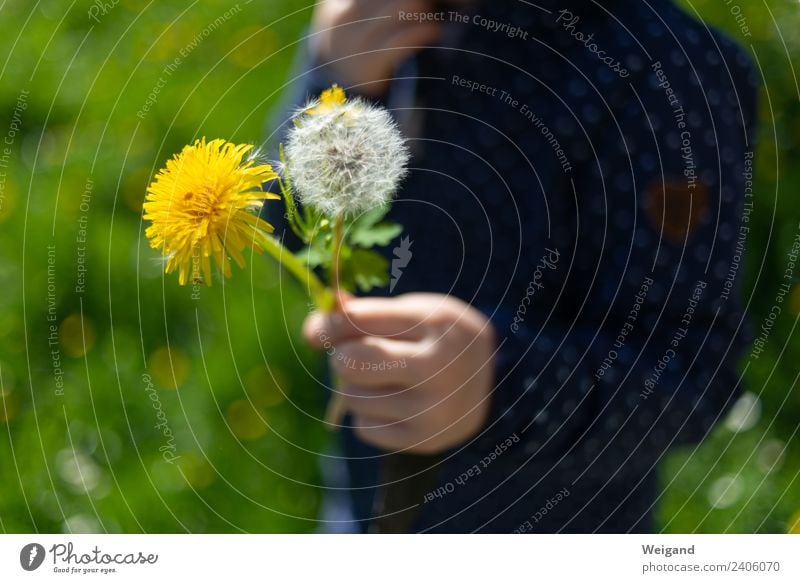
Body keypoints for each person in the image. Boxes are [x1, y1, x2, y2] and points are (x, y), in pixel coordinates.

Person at [271, 0, 759, 532]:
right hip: (360, 506)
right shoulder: (364, 19)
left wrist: (503, 384)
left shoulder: (669, 73)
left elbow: (690, 373)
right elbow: (293, 238)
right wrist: (338, 84)